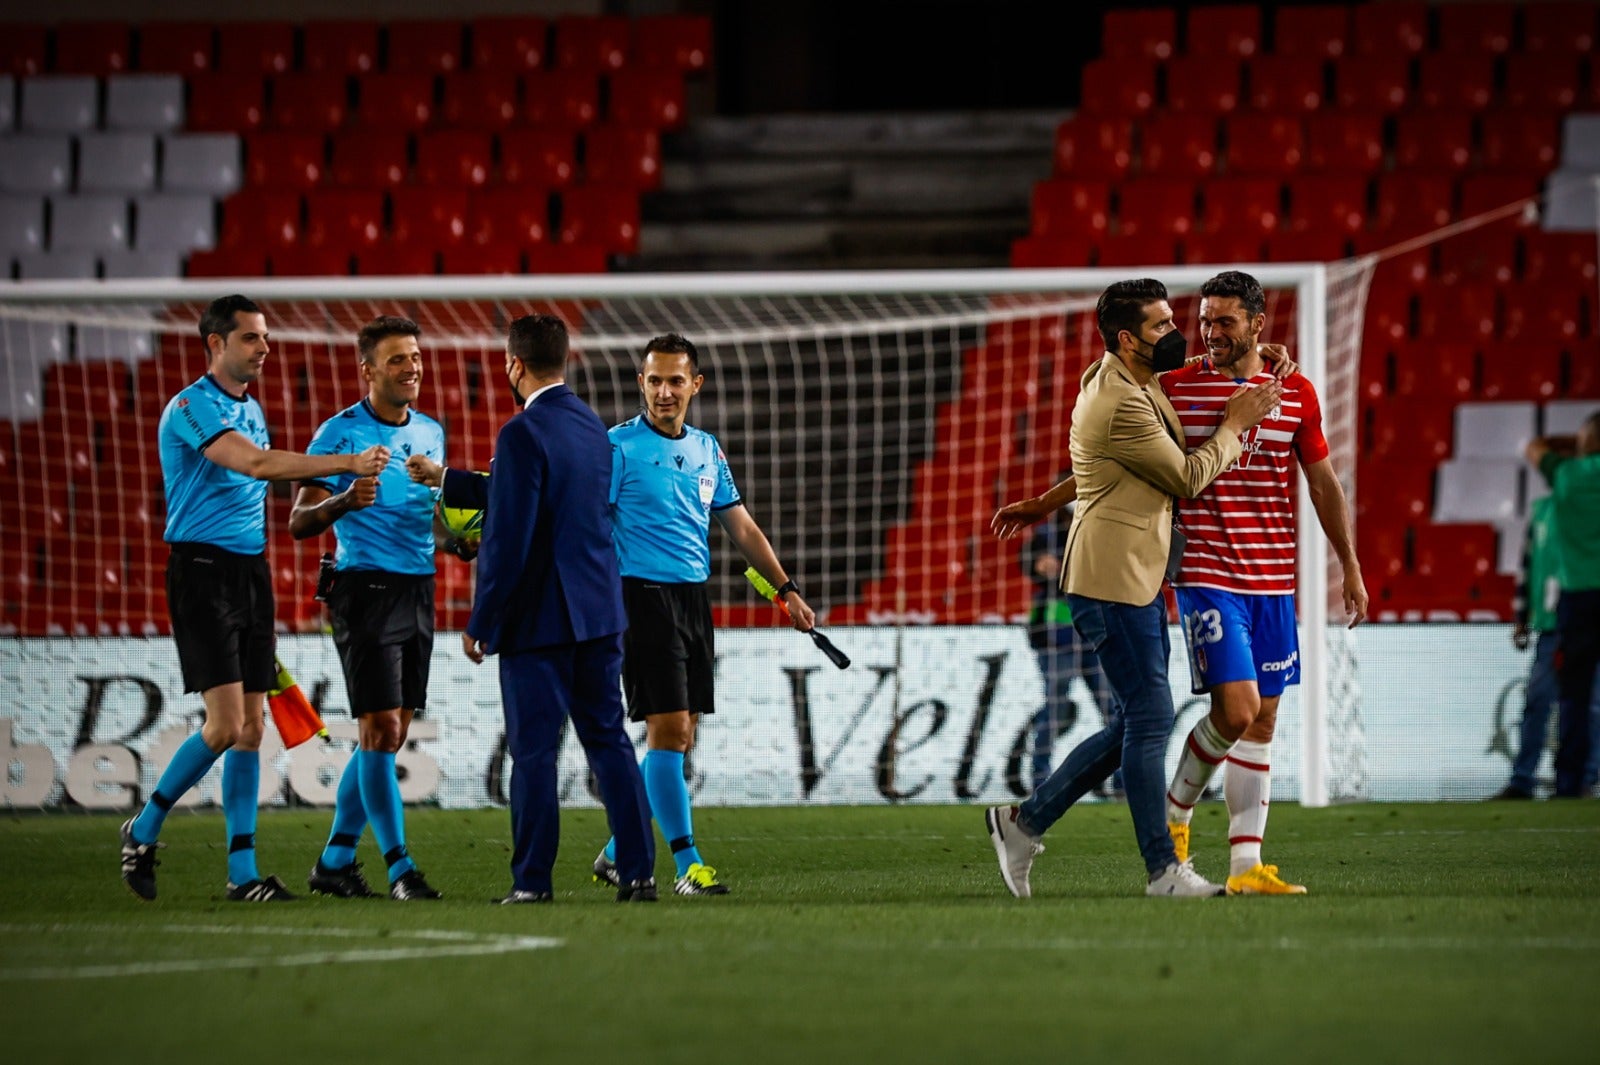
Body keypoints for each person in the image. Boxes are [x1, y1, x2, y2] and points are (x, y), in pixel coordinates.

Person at [983, 278, 1280, 899]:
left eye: (1175, 321)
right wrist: (1235, 422)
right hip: (1113, 578)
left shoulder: (1119, 376)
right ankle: (1162, 870)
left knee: (1134, 723)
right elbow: (1188, 476)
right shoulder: (1122, 400)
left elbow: (1106, 467)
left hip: (1130, 574)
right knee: (1148, 718)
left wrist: (1046, 500)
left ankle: (1023, 822)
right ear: (1128, 339)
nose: (1175, 335)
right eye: (1161, 326)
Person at [120, 294, 390, 902]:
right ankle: (143, 828)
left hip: (250, 575)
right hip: (202, 574)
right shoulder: (190, 407)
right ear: (215, 344)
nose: (264, 347)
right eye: (251, 338)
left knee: (249, 729)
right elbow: (255, 465)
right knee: (221, 727)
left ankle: (242, 875)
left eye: (265, 337)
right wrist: (345, 461)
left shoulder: (252, 407)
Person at [1152, 271, 1365, 895]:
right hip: (1206, 574)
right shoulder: (1174, 389)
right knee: (1237, 709)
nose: (1211, 331)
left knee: (1264, 720)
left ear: (1257, 325)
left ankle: (1247, 868)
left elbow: (1323, 483)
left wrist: (1348, 563)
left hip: (1273, 582)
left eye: (1224, 321)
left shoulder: (1294, 392)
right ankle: (1175, 816)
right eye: (1205, 320)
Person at [591, 333, 817, 898]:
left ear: (696, 384)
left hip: (693, 601)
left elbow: (740, 526)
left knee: (681, 734)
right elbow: (588, 524)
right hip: (639, 598)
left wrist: (785, 589)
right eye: (654, 380)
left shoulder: (707, 450)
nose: (664, 391)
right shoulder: (617, 448)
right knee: (667, 732)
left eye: (675, 380)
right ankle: (688, 864)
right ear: (640, 383)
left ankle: (618, 851)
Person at [463, 314, 657, 903]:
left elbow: (508, 538)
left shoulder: (520, 434)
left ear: (513, 365)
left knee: (535, 755)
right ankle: (640, 873)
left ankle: (532, 883)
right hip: (600, 614)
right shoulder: (591, 427)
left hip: (540, 622)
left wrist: (482, 620)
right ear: (563, 360)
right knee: (611, 744)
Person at [289, 315, 445, 901]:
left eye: (415, 357)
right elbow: (299, 522)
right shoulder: (339, 433)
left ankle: (334, 860)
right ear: (368, 370)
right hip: (365, 591)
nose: (412, 368)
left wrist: (455, 540)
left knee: (392, 732)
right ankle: (400, 867)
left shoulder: (430, 432)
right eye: (398, 359)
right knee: (378, 729)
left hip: (418, 588)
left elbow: (430, 513)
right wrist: (344, 499)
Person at [1019, 496, 1119, 793]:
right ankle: (1040, 778)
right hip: (1057, 638)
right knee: (1057, 707)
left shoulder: (1099, 534)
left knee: (1113, 709)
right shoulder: (1046, 536)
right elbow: (1028, 562)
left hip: (1090, 636)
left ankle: (1123, 777)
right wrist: (1039, 566)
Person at [1527, 411, 1600, 798]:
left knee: (1574, 694)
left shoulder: (1569, 475)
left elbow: (1534, 447)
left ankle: (1571, 782)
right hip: (1580, 598)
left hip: (1580, 599)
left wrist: (1573, 445)